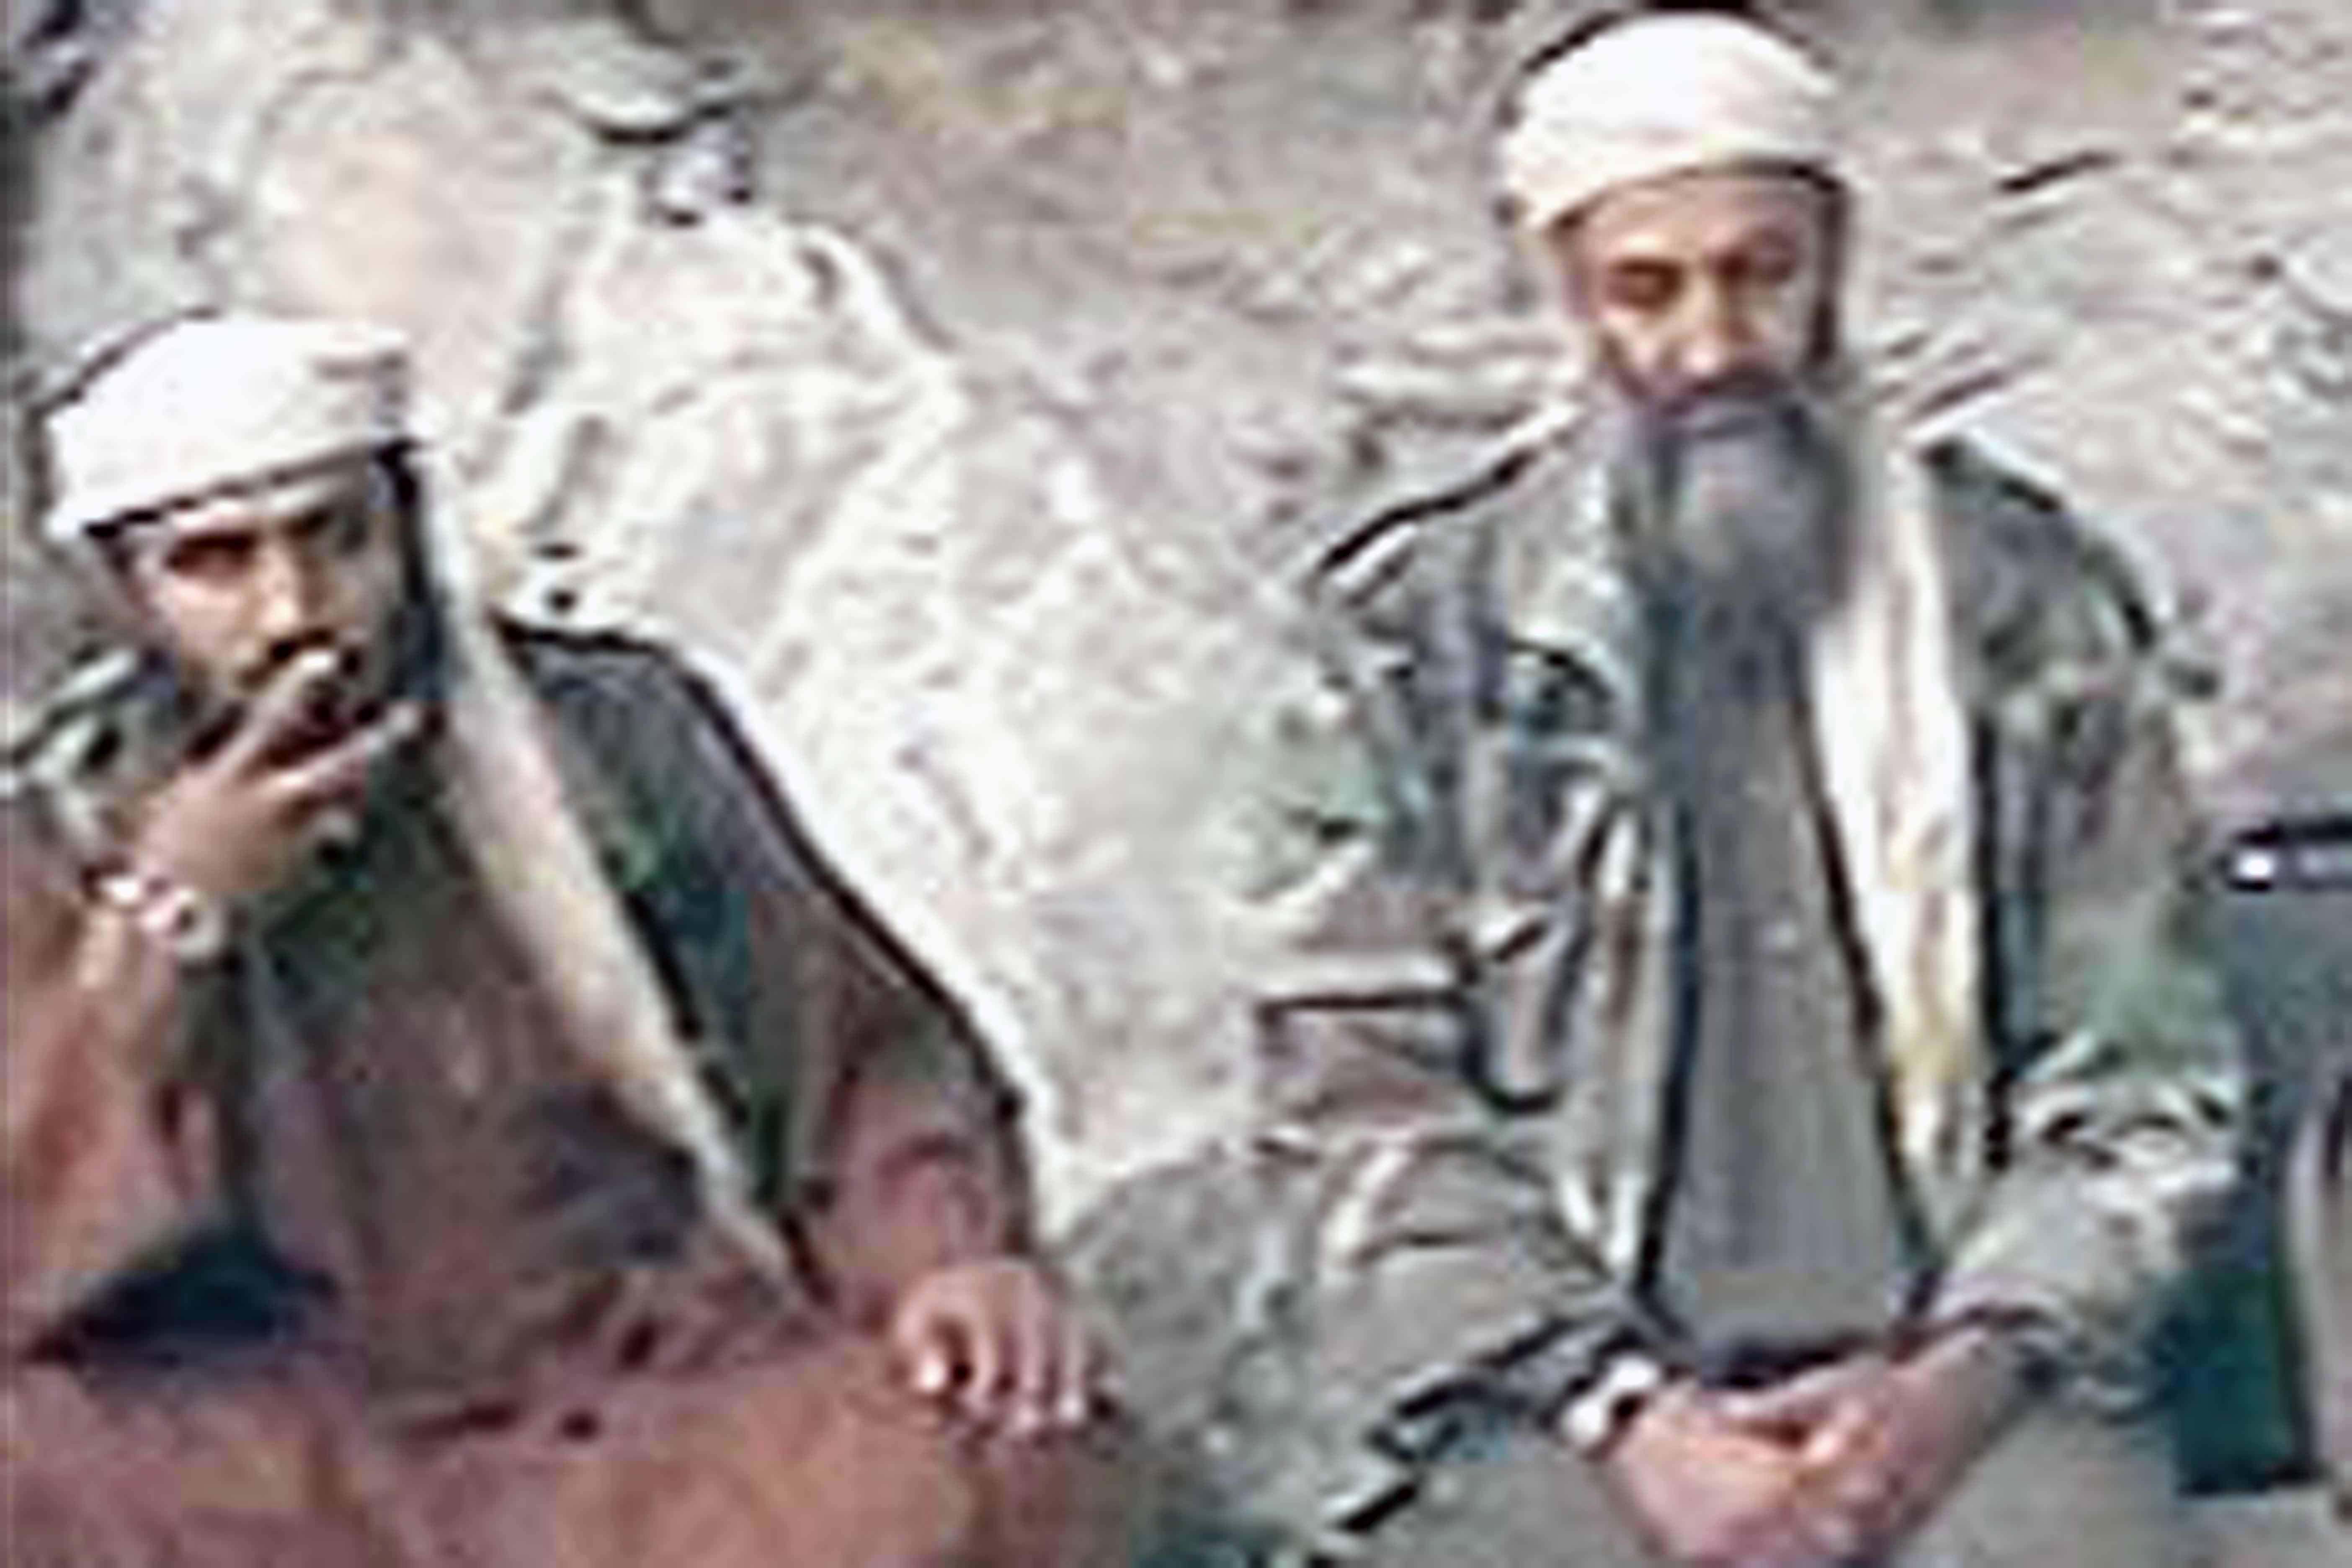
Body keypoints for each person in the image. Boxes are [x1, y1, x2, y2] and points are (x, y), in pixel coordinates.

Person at [1211, 9, 2247, 1564]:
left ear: (1836, 264)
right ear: (1570, 295)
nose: (1712, 345)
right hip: (1545, 1389)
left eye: (1762, 274)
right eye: (1649, 288)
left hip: (1970, 1376)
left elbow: (2145, 1079)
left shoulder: (2029, 606)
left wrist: (1940, 1397)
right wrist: (1630, 1418)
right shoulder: (1414, 640)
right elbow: (1355, 1107)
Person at [0, 315, 1139, 1566]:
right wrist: (173, 920)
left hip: (653, 1398)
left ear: (408, 531)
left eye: (337, 539)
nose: (294, 614)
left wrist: (948, 1257)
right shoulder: (52, 834)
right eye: (216, 566)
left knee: (1009, 1443)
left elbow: (861, 1062)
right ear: (128, 597)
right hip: (287, 1460)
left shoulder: (610, 737)